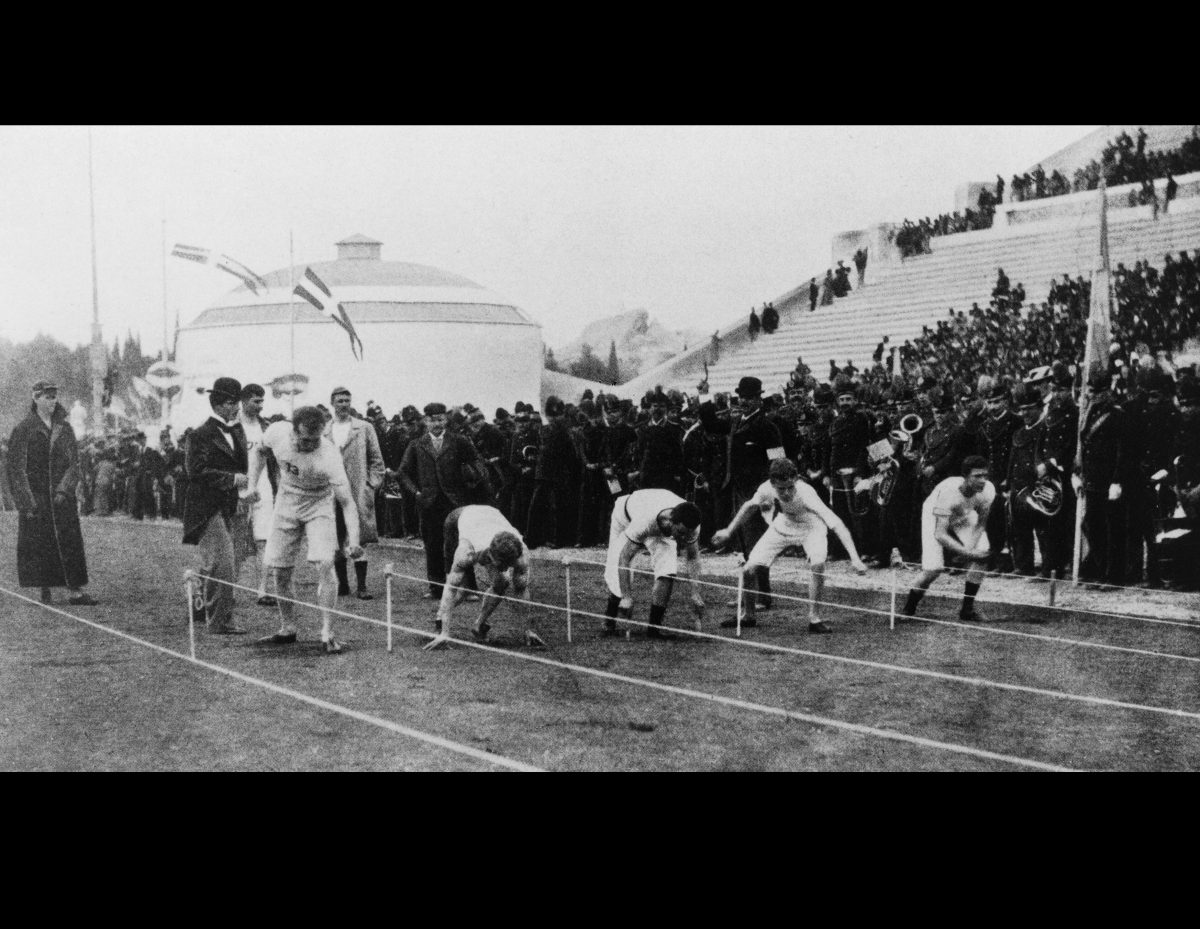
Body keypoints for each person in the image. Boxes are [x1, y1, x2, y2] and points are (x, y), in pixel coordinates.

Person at [246, 405, 360, 654]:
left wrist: (354, 540)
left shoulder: (328, 456)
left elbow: (347, 502)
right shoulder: (277, 432)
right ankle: (288, 628)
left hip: (318, 505)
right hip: (287, 501)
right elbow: (259, 454)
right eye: (304, 439)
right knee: (280, 568)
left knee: (325, 563)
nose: (310, 444)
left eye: (315, 439)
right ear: (292, 432)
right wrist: (252, 484)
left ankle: (327, 632)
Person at [712, 459, 865, 633]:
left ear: (796, 480)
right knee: (749, 570)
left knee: (818, 564)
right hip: (784, 524)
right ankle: (748, 615)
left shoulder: (807, 493)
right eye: (781, 489)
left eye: (790, 487)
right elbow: (749, 506)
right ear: (772, 483)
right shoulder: (765, 488)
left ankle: (814, 619)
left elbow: (837, 524)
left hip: (812, 528)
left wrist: (855, 558)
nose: (786, 493)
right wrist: (728, 531)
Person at [6, 380, 97, 606]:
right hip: (36, 498)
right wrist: (26, 502)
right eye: (47, 397)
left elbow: (74, 463)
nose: (52, 401)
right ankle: (44, 587)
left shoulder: (64, 428)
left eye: (54, 397)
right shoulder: (24, 429)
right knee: (40, 542)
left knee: (70, 541)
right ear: (36, 398)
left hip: (61, 498)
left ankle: (75, 590)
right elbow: (16, 468)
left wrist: (64, 489)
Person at [399, 401, 489, 606]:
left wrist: (472, 478)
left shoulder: (460, 441)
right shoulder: (416, 444)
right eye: (432, 420)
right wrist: (416, 492)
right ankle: (436, 587)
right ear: (425, 421)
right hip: (429, 502)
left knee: (462, 543)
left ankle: (468, 587)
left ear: (446, 419)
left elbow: (478, 464)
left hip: (456, 502)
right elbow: (403, 473)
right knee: (432, 543)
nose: (437, 424)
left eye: (440, 419)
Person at [424, 504, 545, 651]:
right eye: (502, 564)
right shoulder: (466, 552)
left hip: (491, 515)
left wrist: (528, 630)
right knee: (463, 590)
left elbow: (521, 588)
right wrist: (445, 634)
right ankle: (440, 618)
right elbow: (451, 588)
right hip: (457, 519)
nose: (506, 568)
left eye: (509, 564)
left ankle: (478, 624)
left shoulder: (522, 556)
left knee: (503, 581)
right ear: (489, 554)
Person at [182, 377, 249, 634]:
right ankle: (219, 621)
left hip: (229, 505)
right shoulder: (199, 435)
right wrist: (231, 479)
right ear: (220, 405)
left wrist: (242, 491)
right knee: (224, 563)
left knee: (219, 562)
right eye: (233, 403)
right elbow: (195, 471)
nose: (237, 408)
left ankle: (201, 603)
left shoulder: (238, 432)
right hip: (205, 508)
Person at [901, 456, 996, 623]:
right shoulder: (948, 493)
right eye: (977, 476)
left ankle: (967, 609)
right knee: (934, 569)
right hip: (935, 512)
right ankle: (909, 607)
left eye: (985, 476)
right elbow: (940, 534)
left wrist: (970, 552)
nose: (983, 480)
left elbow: (981, 524)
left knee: (983, 550)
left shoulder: (988, 491)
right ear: (966, 476)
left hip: (963, 512)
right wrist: (967, 553)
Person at [602, 489, 705, 639]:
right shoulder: (644, 521)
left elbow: (692, 557)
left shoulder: (691, 524)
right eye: (681, 533)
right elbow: (625, 558)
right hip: (624, 517)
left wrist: (695, 593)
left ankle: (654, 628)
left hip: (659, 524)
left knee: (668, 568)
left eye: (687, 534)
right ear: (671, 521)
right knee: (616, 563)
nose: (685, 538)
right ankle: (609, 621)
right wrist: (626, 596)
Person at [326, 387, 385, 600]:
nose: (344, 404)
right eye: (340, 401)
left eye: (347, 400)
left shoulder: (364, 427)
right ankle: (342, 584)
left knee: (359, 538)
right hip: (332, 493)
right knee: (335, 536)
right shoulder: (325, 430)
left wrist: (370, 486)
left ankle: (362, 586)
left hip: (358, 491)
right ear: (332, 403)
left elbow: (377, 461)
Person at [235, 383, 279, 605]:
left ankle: (263, 590)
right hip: (239, 487)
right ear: (244, 401)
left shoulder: (267, 427)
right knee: (235, 540)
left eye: (262, 401)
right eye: (256, 401)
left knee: (265, 539)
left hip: (263, 487)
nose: (260, 405)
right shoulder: (233, 426)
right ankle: (228, 591)